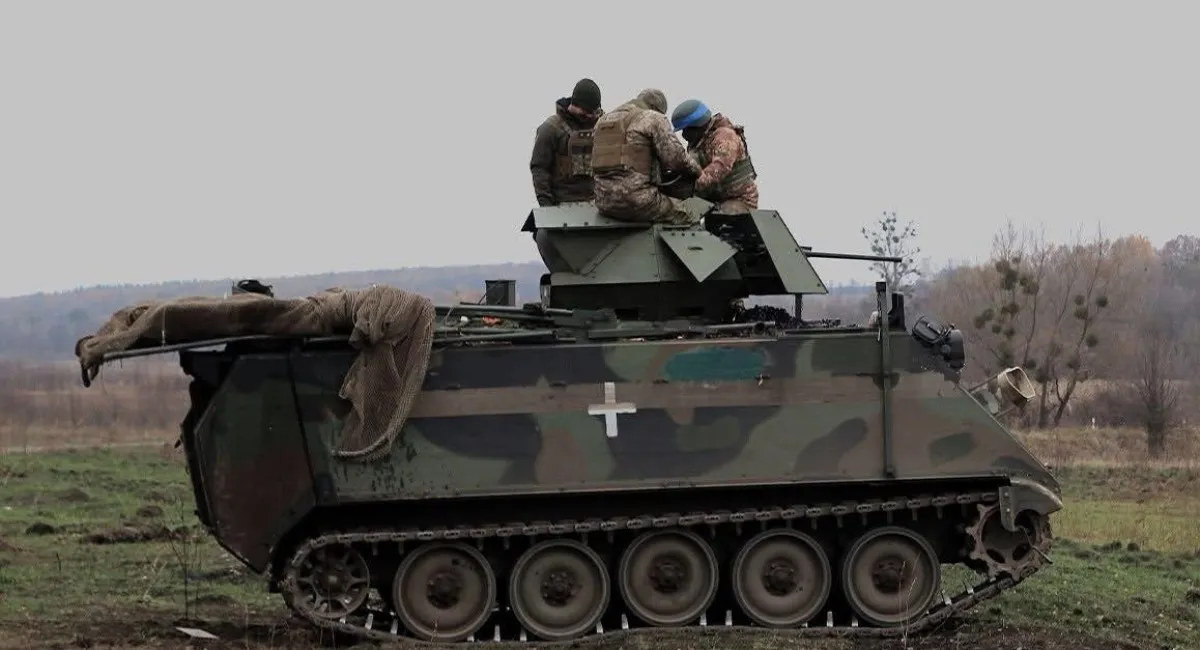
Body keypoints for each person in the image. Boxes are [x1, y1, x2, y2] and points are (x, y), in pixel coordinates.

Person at [590, 88, 702, 224]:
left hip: (604, 202)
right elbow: (676, 159)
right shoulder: (653, 118)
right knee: (688, 213)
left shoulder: (602, 122)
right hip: (638, 202)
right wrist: (698, 171)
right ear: (655, 108)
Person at [670, 99, 759, 213]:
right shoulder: (698, 144)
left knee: (722, 220)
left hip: (738, 199)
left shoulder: (725, 137)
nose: (684, 135)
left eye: (687, 129)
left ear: (698, 125)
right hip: (713, 199)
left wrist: (691, 186)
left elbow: (720, 168)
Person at [529, 78, 604, 207]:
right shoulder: (551, 129)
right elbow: (539, 168)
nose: (590, 116)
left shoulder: (601, 126)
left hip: (597, 204)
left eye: (593, 112)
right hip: (562, 204)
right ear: (576, 105)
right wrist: (546, 205)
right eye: (586, 112)